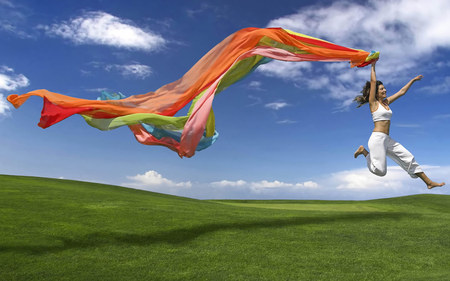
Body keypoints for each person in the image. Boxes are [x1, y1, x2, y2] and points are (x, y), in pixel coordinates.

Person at [353, 61, 445, 189]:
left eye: (384, 88)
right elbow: (373, 82)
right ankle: (364, 152)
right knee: (381, 171)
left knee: (408, 157)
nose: (384, 90)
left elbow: (401, 92)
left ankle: (428, 182)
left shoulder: (386, 103)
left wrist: (412, 80)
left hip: (387, 139)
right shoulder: (373, 103)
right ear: (376, 92)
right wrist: (373, 65)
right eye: (381, 89)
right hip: (377, 139)